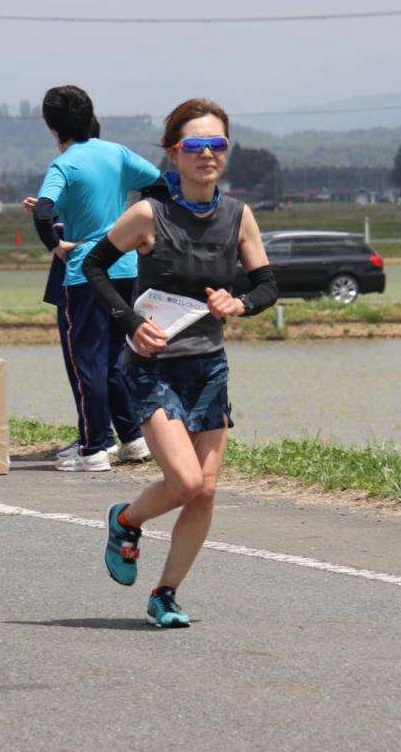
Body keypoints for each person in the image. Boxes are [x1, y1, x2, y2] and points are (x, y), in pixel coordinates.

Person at [83, 98, 278, 628]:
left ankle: (165, 594)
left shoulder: (238, 216)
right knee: (186, 482)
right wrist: (128, 322)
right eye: (196, 146)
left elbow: (266, 284)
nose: (208, 155)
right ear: (174, 154)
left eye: (218, 145)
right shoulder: (150, 214)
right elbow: (96, 265)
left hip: (208, 368)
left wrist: (239, 304)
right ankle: (125, 520)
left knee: (206, 490)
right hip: (153, 365)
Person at [26, 85, 159, 472]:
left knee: (88, 360)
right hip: (124, 267)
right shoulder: (116, 152)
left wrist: (56, 244)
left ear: (53, 128)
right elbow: (160, 184)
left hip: (84, 270)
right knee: (117, 357)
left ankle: (94, 447)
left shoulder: (64, 164)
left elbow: (42, 212)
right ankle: (132, 438)